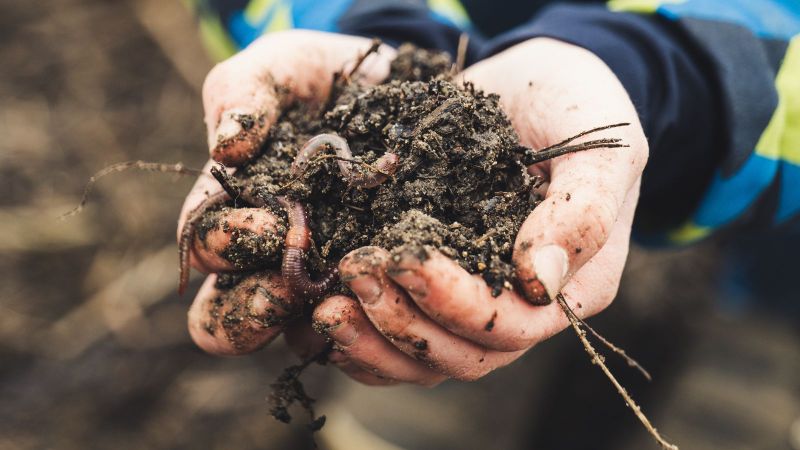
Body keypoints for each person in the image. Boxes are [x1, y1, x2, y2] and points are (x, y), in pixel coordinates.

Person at [178, 0, 800, 386]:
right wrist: (372, 24)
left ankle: (747, 335)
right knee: (439, 320)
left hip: (765, 219)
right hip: (378, 51)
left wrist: (663, 77)